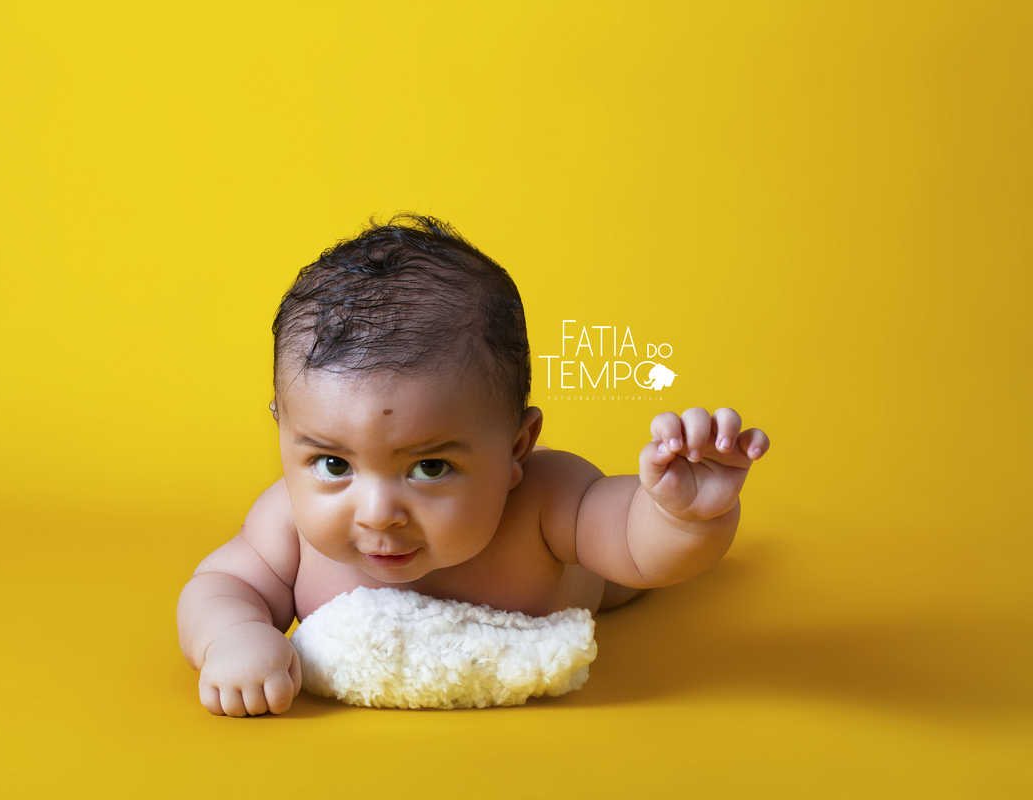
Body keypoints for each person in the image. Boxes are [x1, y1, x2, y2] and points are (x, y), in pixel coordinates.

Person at [176, 214, 770, 717]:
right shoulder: (284, 522)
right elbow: (221, 585)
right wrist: (231, 637)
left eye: (429, 468)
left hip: (597, 573)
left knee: (624, 577)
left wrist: (683, 517)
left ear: (516, 449)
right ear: (283, 431)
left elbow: (639, 547)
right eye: (333, 464)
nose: (379, 513)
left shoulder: (546, 501)